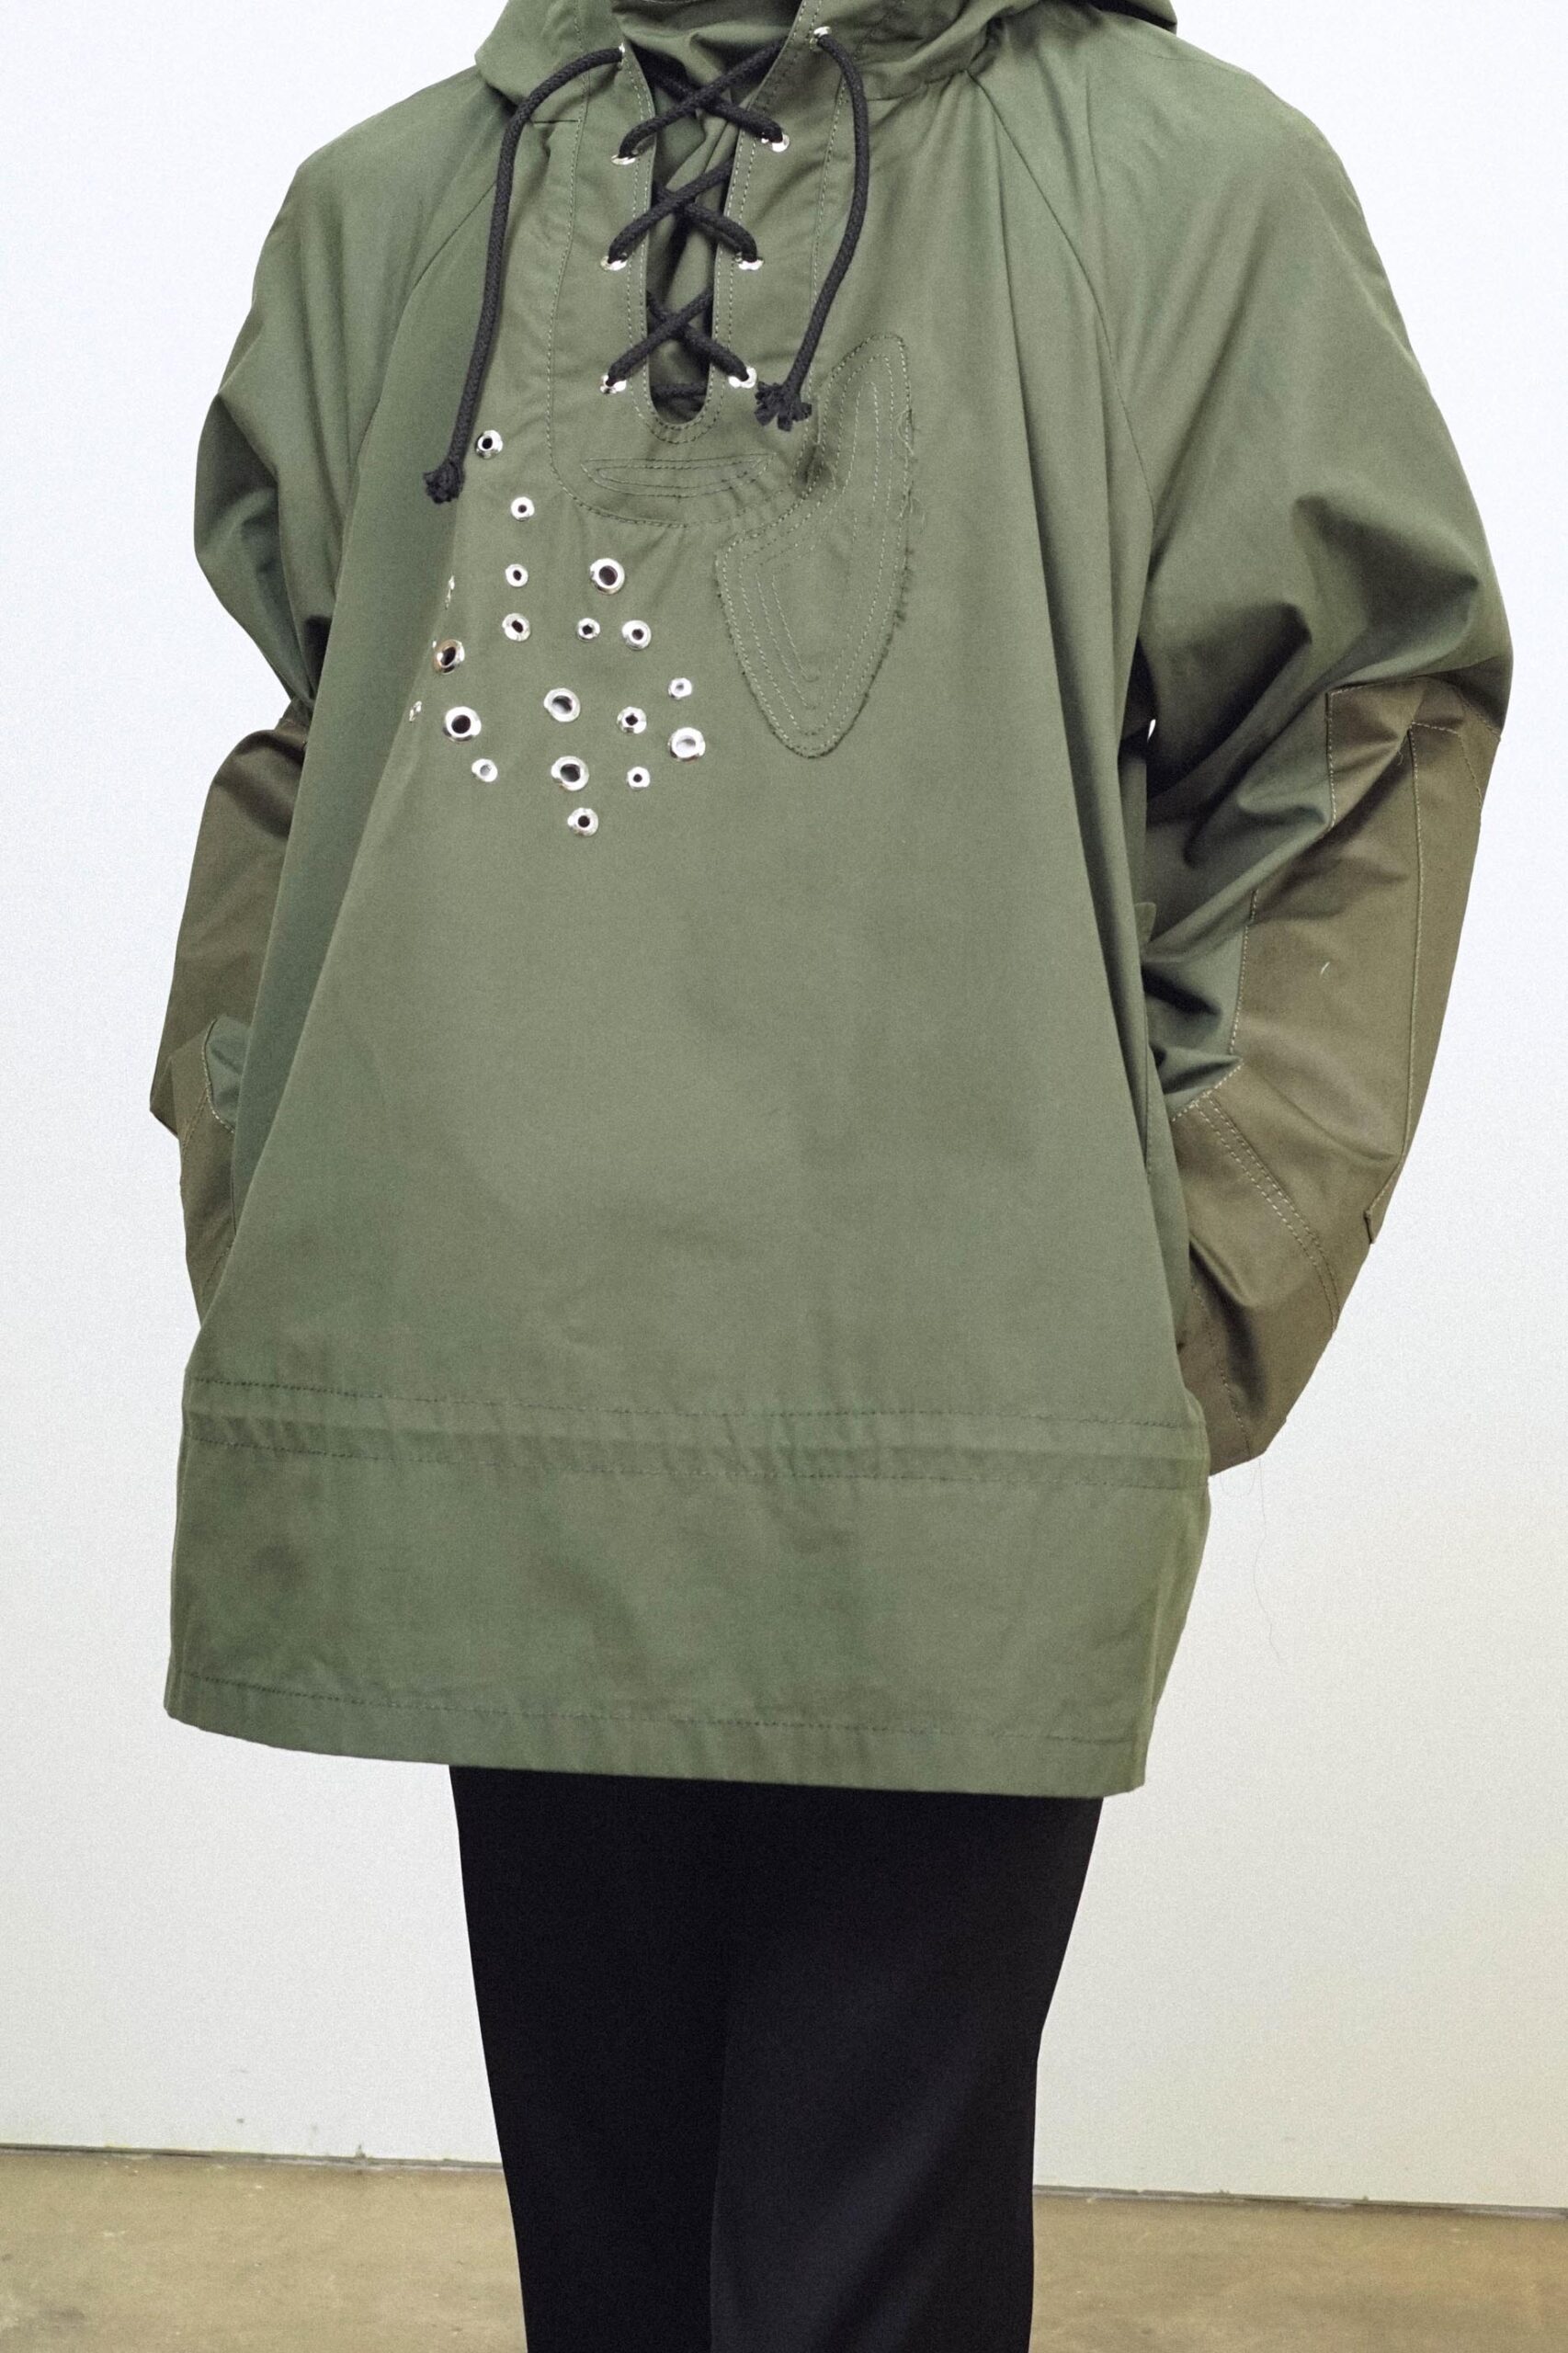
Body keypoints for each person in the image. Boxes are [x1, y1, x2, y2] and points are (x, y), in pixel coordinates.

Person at [147, 0, 1511, 2343]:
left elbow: (1361, 721)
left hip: (954, 1391)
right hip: (492, 1383)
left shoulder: (1182, 185)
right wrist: (277, 1187)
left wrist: (1188, 1271)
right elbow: (311, 726)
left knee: (853, 2279)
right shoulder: (402, 200)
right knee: (612, 2265)